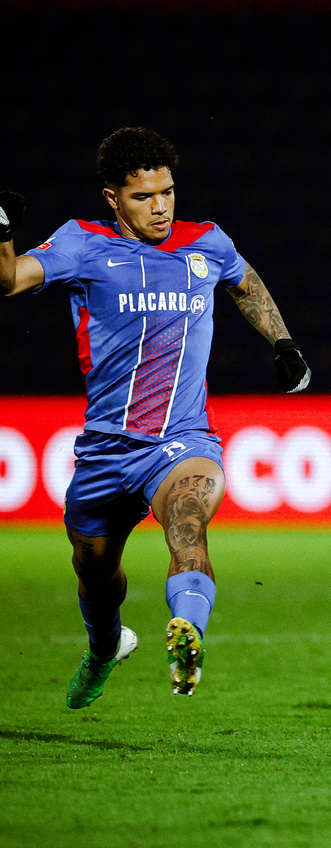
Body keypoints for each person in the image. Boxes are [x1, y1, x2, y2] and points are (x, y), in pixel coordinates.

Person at [0, 127, 311, 708]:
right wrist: (1, 234)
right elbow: (9, 279)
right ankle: (105, 646)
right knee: (94, 569)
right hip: (105, 451)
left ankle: (188, 630)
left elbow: (245, 284)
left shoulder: (206, 243)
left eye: (167, 191)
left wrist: (284, 343)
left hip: (182, 441)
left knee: (188, 522)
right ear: (113, 198)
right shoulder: (82, 243)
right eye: (143, 197)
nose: (161, 206)